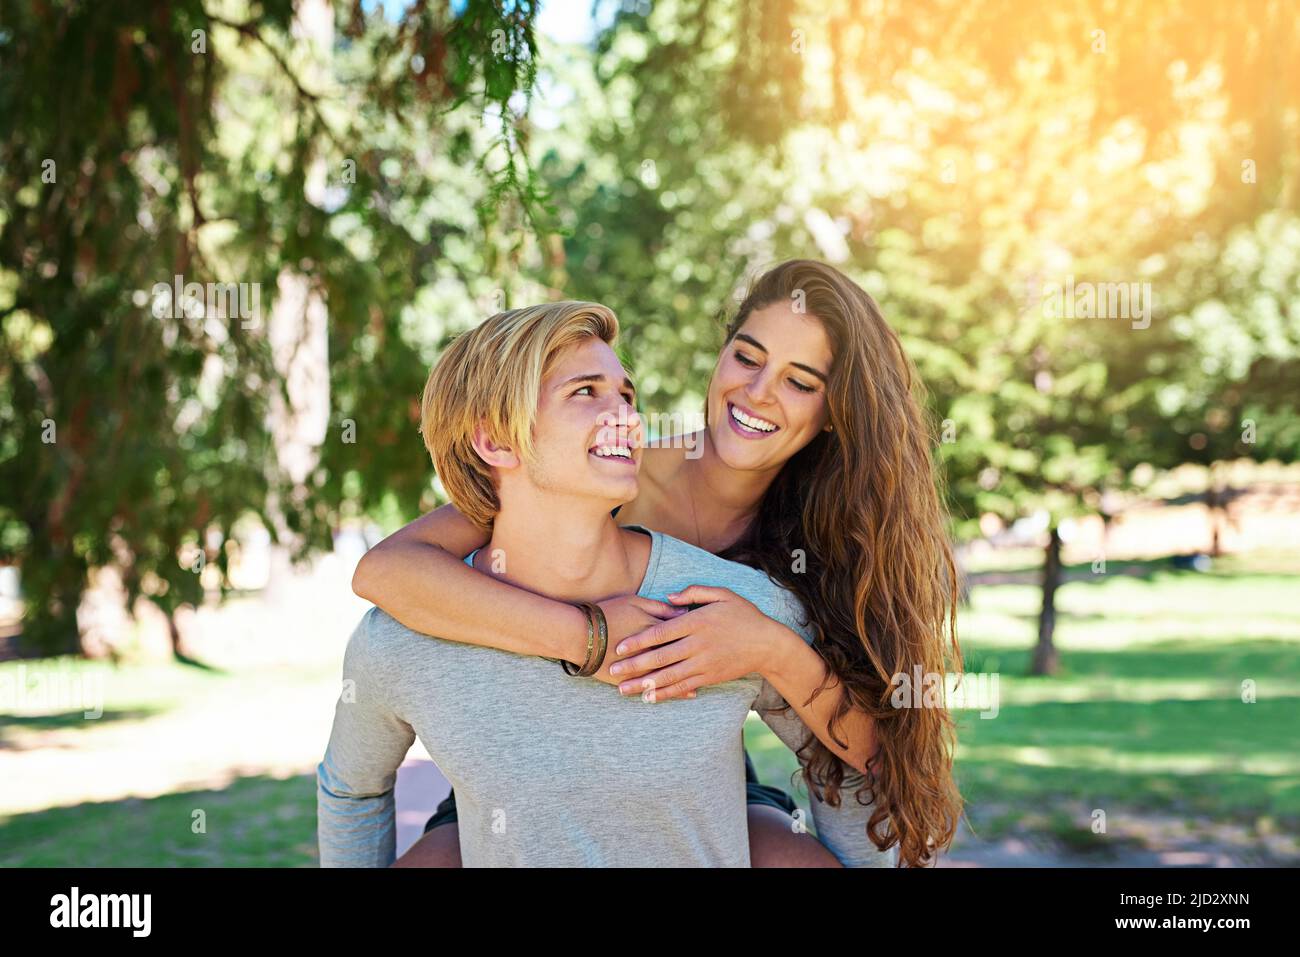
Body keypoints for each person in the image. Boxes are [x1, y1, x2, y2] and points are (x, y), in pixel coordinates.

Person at [356, 260, 964, 868]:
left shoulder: (827, 543)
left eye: (799, 382)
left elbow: (877, 755)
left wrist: (769, 649)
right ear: (722, 354)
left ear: (836, 410)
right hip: (516, 778)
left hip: (690, 778)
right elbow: (386, 571)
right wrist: (588, 638)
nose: (757, 393)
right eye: (748, 358)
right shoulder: (606, 472)